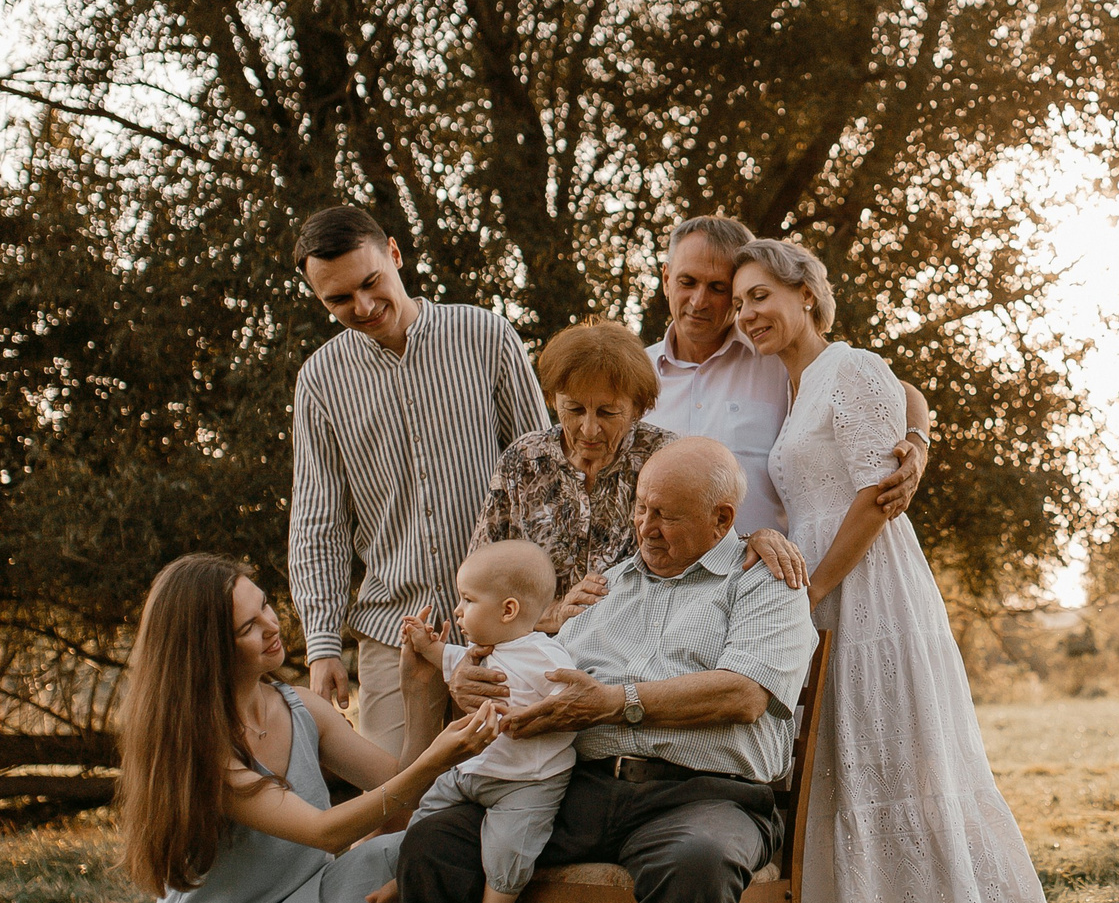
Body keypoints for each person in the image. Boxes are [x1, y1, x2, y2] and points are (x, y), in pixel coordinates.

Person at [731, 238, 1086, 903]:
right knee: (866, 780)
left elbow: (875, 495)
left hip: (873, 598)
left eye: (760, 295)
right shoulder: (799, 390)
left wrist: (817, 586)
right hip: (832, 602)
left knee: (916, 776)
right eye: (738, 303)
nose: (746, 312)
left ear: (807, 296)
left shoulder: (849, 366)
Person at [407, 438, 817, 903]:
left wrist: (618, 702)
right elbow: (547, 669)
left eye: (667, 516)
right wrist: (480, 677)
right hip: (583, 787)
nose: (646, 527)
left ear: (722, 519)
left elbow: (744, 693)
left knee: (697, 859)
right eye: (640, 509)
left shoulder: (765, 580)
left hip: (704, 795)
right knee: (438, 842)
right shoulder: (613, 584)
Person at [121, 553, 500, 903]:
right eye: (248, 626)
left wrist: (419, 695)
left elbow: (397, 786)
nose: (273, 626)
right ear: (208, 652)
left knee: (402, 853)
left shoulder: (299, 707)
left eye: (267, 607)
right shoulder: (202, 750)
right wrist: (439, 757)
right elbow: (327, 832)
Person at [289, 204, 548, 755]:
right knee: (396, 810)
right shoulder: (319, 381)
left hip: (507, 629)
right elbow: (319, 520)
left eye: (370, 282)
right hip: (394, 630)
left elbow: (543, 477)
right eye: (337, 299)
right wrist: (322, 644)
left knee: (509, 792)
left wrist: (548, 606)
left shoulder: (484, 335)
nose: (361, 306)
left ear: (395, 255)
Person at [469, 317, 805, 631]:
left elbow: (708, 541)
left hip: (630, 652)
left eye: (607, 411)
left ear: (638, 408)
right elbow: (480, 580)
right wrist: (553, 613)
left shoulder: (664, 457)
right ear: (552, 399)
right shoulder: (524, 460)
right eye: (573, 409)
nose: (588, 428)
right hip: (531, 649)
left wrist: (758, 538)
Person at [643, 216, 930, 534]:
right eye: (687, 282)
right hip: (660, 578)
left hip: (761, 576)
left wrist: (916, 447)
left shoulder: (775, 356)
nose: (699, 301)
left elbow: (895, 390)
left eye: (717, 288)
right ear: (667, 277)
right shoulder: (636, 376)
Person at [359, 541, 578, 903]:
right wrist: (425, 644)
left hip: (527, 781)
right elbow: (448, 656)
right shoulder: (480, 654)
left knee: (510, 846)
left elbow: (569, 700)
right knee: (424, 813)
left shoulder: (544, 655)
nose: (457, 611)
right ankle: (402, 877)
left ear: (508, 610)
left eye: (467, 600)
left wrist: (536, 717)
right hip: (473, 772)